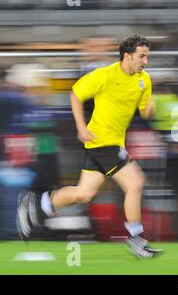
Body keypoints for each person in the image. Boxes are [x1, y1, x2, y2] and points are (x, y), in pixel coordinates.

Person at [17, 35, 162, 259]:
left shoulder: (144, 79)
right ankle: (136, 239)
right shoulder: (104, 75)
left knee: (84, 194)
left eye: (147, 57)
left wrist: (150, 109)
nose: (146, 61)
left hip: (108, 143)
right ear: (127, 56)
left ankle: (36, 205)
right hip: (102, 141)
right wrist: (81, 127)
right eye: (142, 56)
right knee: (136, 183)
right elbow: (75, 94)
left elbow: (144, 110)